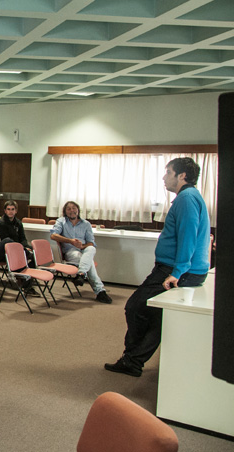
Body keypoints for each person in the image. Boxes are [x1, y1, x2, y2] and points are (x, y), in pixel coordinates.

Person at [105, 158, 210, 377]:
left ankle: (132, 359)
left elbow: (188, 236)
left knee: (135, 307)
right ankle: (133, 361)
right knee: (155, 315)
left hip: (174, 270)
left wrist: (177, 272)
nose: (164, 177)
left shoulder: (186, 198)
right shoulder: (190, 197)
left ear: (181, 176)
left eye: (168, 172)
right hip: (183, 269)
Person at [50, 201, 112, 304]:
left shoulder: (86, 224)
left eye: (74, 208)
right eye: (68, 209)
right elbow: (53, 235)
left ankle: (81, 274)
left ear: (78, 210)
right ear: (65, 211)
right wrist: (71, 241)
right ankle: (100, 291)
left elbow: (91, 243)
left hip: (84, 250)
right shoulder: (61, 221)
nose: (72, 211)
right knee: (88, 262)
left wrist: (82, 246)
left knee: (91, 249)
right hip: (71, 251)